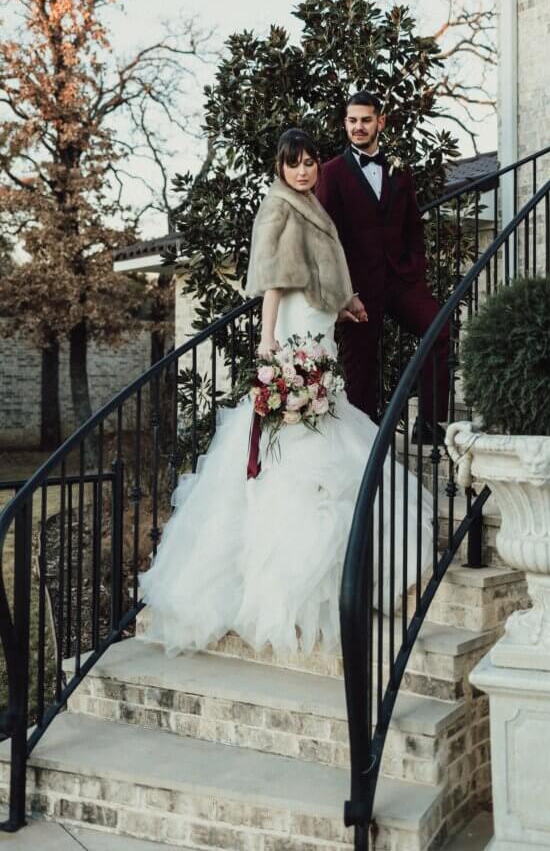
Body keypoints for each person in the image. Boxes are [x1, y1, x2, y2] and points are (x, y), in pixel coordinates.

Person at [139, 128, 432, 658]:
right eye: (292, 164)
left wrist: (343, 305)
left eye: (309, 162)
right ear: (279, 168)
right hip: (294, 337)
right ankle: (294, 592)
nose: (302, 171)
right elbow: (275, 282)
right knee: (299, 454)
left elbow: (316, 275)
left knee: (335, 435)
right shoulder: (279, 208)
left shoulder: (309, 205)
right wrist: (269, 346)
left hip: (319, 332)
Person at [316, 92, 449, 440]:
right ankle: (367, 450)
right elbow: (325, 238)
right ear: (345, 123)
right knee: (360, 374)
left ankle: (430, 425)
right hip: (357, 289)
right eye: (352, 121)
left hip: (401, 281)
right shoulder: (331, 173)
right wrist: (343, 294)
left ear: (380, 122)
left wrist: (415, 271)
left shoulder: (399, 171)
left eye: (365, 120)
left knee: (440, 329)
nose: (358, 127)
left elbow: (413, 226)